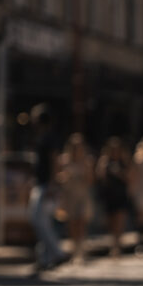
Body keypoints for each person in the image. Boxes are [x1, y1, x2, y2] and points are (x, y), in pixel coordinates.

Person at [27, 107, 69, 272]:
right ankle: (45, 259)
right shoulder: (42, 137)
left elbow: (54, 161)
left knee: (38, 220)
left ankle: (57, 253)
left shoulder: (49, 138)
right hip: (41, 183)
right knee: (43, 222)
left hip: (46, 185)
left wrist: (52, 184)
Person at [56, 133, 95, 263]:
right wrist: (66, 176)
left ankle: (81, 250)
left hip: (82, 195)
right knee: (72, 223)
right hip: (69, 195)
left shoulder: (87, 161)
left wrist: (85, 173)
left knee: (81, 222)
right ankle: (74, 250)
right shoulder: (64, 160)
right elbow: (58, 178)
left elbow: (91, 181)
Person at [96, 137, 132, 258]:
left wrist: (119, 173)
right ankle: (113, 244)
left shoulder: (124, 161)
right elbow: (99, 177)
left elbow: (130, 178)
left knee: (119, 221)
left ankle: (117, 246)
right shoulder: (104, 161)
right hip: (108, 195)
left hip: (121, 194)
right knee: (110, 223)